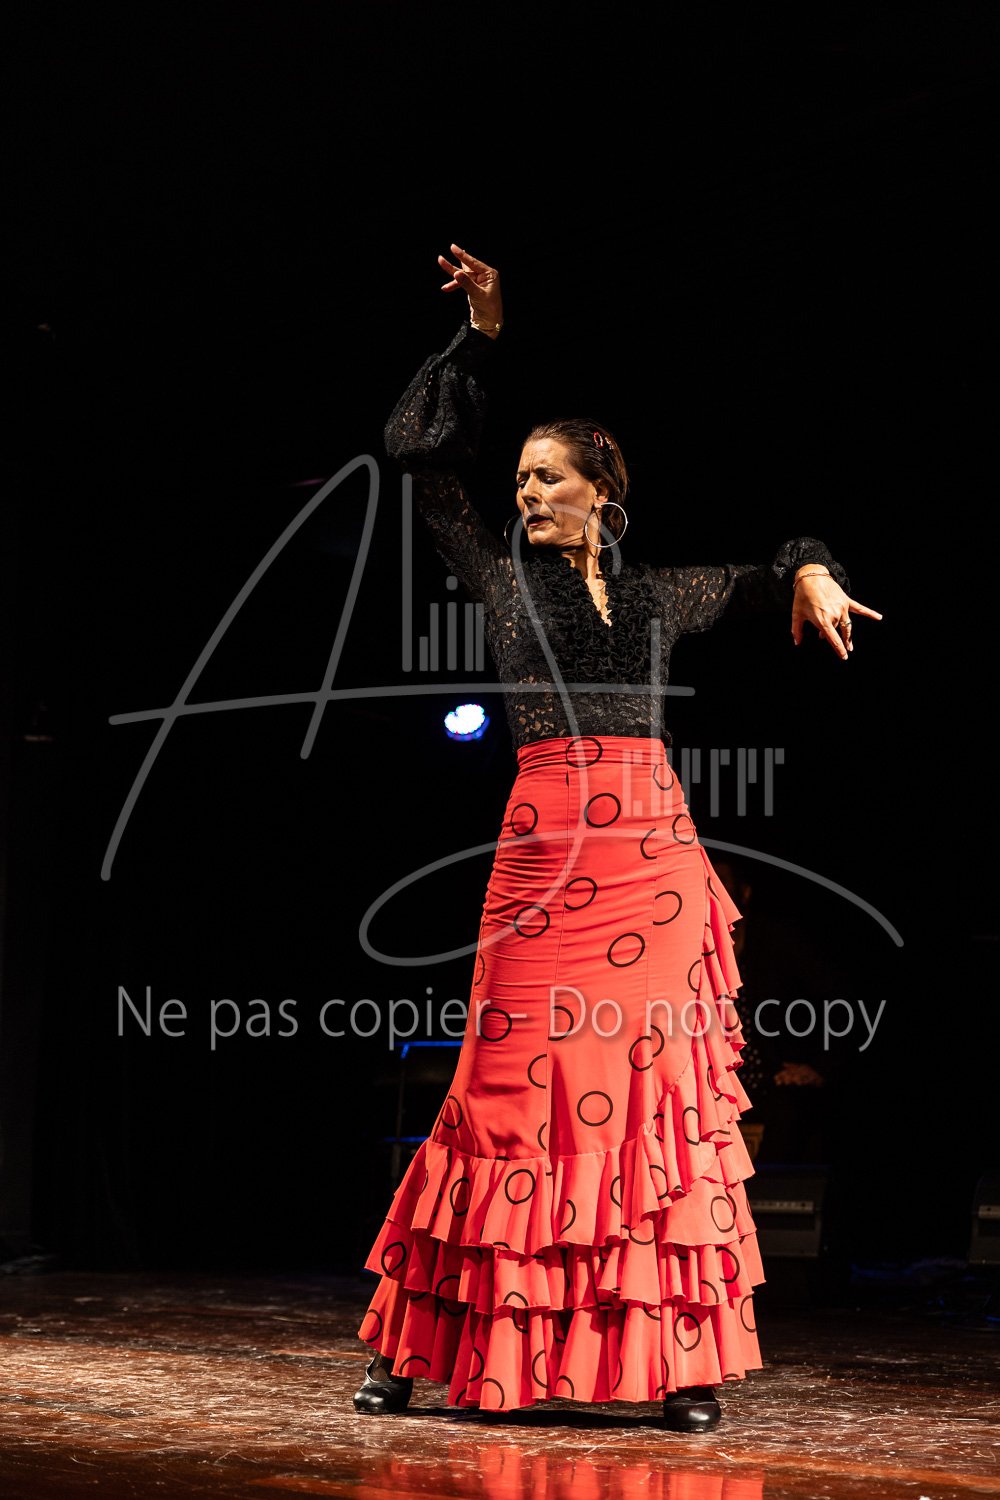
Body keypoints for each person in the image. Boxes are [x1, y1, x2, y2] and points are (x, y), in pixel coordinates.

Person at [353, 245, 881, 1430]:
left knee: (653, 1100)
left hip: (651, 863)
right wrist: (480, 336)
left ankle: (676, 1362)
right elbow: (417, 457)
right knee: (500, 1090)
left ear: (603, 491)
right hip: (545, 852)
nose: (527, 494)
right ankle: (418, 1343)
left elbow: (770, 566)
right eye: (522, 479)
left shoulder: (654, 597)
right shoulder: (500, 582)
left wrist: (812, 571)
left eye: (549, 478)